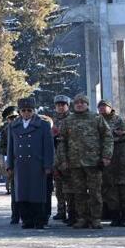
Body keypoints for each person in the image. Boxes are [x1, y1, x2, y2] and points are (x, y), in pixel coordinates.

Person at [57, 94, 113, 229]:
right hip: (75, 163)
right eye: (77, 102)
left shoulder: (96, 118)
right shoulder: (68, 120)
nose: (79, 104)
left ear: (87, 104)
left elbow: (107, 137)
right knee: (79, 193)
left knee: (95, 192)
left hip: (94, 162)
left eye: (82, 102)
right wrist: (63, 160)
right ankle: (82, 218)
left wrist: (106, 156)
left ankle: (96, 219)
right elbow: (62, 141)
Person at [5, 98, 54, 229]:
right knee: (22, 193)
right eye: (23, 110)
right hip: (20, 165)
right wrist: (9, 165)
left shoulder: (43, 125)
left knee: (37, 193)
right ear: (19, 112)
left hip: (37, 164)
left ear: (34, 111)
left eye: (29, 110)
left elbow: (48, 147)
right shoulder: (13, 126)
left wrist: (48, 165)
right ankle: (26, 220)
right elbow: (10, 147)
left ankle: (39, 220)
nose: (26, 113)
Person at [98, 99, 125, 226]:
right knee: (110, 190)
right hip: (107, 160)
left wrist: (115, 135)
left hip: (122, 158)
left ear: (110, 107)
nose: (102, 108)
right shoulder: (97, 120)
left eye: (104, 106)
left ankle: (124, 216)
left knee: (124, 191)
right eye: (100, 106)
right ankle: (115, 216)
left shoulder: (119, 119)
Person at [51, 95, 73, 223]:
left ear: (67, 106)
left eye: (63, 105)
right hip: (56, 157)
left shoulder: (72, 119)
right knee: (58, 187)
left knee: (69, 188)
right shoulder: (52, 121)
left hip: (69, 157)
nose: (60, 107)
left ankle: (71, 212)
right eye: (58, 105)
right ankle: (61, 211)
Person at [0, 106, 20, 223]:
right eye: (11, 118)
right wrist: (9, 151)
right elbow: (1, 147)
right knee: (15, 190)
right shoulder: (6, 131)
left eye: (15, 117)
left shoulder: (26, 127)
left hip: (27, 163)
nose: (13, 120)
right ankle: (15, 215)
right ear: (7, 120)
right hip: (14, 163)